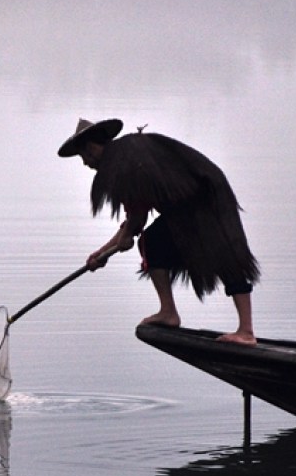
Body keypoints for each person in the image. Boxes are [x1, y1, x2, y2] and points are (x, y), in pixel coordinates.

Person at [58, 118, 260, 345]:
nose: (85, 163)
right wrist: (103, 252)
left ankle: (245, 331)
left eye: (84, 155)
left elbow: (136, 220)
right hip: (192, 202)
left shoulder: (122, 162)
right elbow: (133, 217)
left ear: (92, 147)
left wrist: (123, 241)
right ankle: (169, 313)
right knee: (155, 241)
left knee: (223, 255)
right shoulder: (125, 155)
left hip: (203, 197)